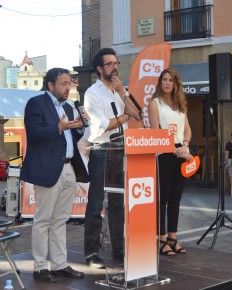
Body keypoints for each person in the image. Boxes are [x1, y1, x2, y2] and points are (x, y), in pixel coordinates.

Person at [20, 68, 89, 283]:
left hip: (68, 168)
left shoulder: (68, 107)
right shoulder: (36, 103)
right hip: (48, 168)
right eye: (64, 83)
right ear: (51, 85)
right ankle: (41, 267)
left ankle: (60, 264)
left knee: (60, 220)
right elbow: (34, 133)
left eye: (70, 83)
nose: (68, 87)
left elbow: (70, 137)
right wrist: (57, 127)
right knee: (43, 219)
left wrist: (79, 126)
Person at [84, 48, 140, 268]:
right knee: (96, 202)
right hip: (101, 150)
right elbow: (104, 124)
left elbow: (138, 114)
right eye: (110, 64)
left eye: (116, 63)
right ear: (100, 69)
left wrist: (123, 93)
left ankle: (119, 249)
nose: (115, 67)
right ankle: (91, 253)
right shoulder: (92, 93)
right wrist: (125, 116)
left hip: (120, 151)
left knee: (118, 202)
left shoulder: (118, 91)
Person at [148, 68, 192, 256]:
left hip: (181, 153)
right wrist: (173, 148)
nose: (167, 83)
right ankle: (161, 239)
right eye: (164, 79)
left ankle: (173, 238)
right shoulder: (155, 103)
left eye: (170, 80)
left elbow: (187, 130)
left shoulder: (181, 104)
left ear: (176, 84)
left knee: (176, 198)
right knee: (162, 198)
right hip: (164, 153)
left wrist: (185, 146)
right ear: (160, 82)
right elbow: (155, 130)